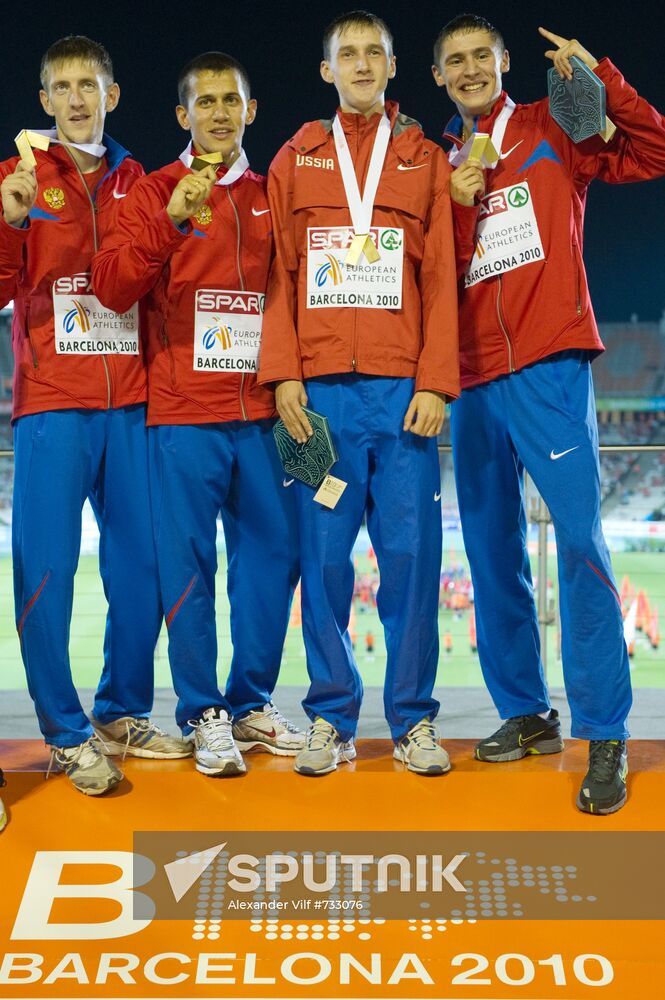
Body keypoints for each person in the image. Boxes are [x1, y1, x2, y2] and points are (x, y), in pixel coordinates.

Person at [432, 14, 665, 813]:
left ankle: (605, 733)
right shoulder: (436, 163)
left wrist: (603, 80)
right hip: (470, 381)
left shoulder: (549, 127)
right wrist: (452, 202)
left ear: (503, 63)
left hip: (548, 366)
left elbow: (652, 151)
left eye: (480, 57)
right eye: (453, 62)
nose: (468, 71)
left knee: (578, 543)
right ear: (438, 77)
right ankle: (527, 713)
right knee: (493, 556)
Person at [259, 10, 460, 776]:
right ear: (326, 70)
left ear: (392, 65)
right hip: (319, 404)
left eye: (374, 52)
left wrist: (438, 382)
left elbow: (441, 278)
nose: (362, 63)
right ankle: (328, 719)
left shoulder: (423, 159)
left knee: (410, 559)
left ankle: (411, 722)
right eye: (348, 54)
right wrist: (283, 376)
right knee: (324, 560)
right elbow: (274, 274)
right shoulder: (295, 157)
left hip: (403, 393)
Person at [93, 52, 302, 777]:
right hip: (181, 414)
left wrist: (289, 380)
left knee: (274, 566)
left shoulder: (275, 191)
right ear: (182, 116)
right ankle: (201, 712)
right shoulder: (153, 190)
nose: (218, 112)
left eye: (230, 101)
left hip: (266, 416)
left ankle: (250, 705)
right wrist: (172, 223)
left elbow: (295, 293)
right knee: (188, 571)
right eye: (204, 102)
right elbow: (113, 288)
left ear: (251, 111)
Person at [0, 36, 188, 797]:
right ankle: (66, 732)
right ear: (44, 100)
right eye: (62, 86)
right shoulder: (18, 178)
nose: (77, 98)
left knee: (142, 570)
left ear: (112, 94)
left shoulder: (140, 181)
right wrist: (10, 222)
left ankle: (119, 710)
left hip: (133, 405)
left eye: (90, 84)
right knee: (46, 576)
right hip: (52, 405)